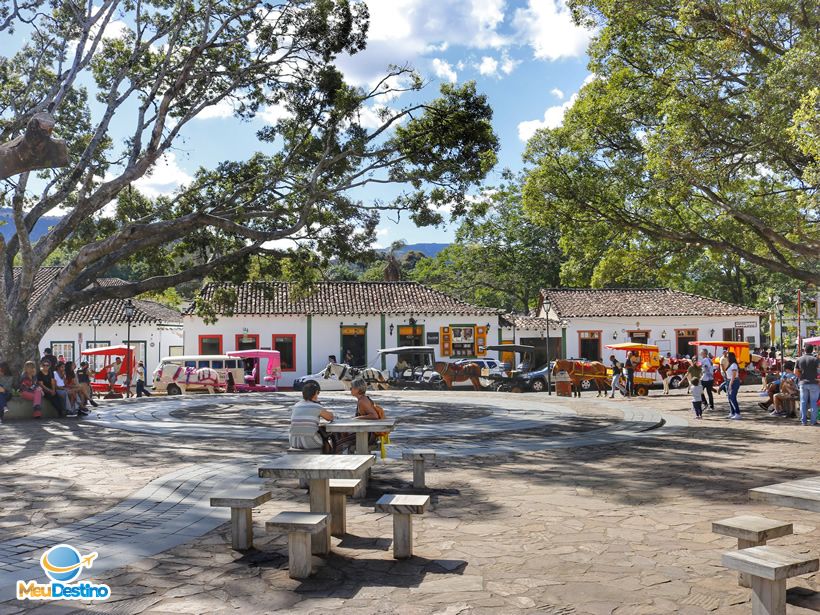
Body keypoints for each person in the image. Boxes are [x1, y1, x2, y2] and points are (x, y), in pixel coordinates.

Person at [289, 381, 334, 450]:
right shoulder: (316, 406)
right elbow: (330, 417)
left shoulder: (296, 405)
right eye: (317, 393)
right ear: (315, 393)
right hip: (309, 442)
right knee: (326, 440)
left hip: (293, 441)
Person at [795, 344, 819, 426]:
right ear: (812, 350)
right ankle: (813, 421)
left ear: (804, 350)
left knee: (803, 402)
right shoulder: (815, 359)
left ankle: (803, 421)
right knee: (813, 402)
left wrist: (801, 377)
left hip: (803, 383)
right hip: (814, 383)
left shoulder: (799, 359)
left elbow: (796, 372)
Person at [726, 351, 741, 419]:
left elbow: (734, 375)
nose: (726, 357)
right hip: (729, 381)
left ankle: (737, 413)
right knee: (729, 398)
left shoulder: (734, 365)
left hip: (734, 381)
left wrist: (730, 383)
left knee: (732, 397)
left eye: (727, 356)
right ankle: (732, 412)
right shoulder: (730, 364)